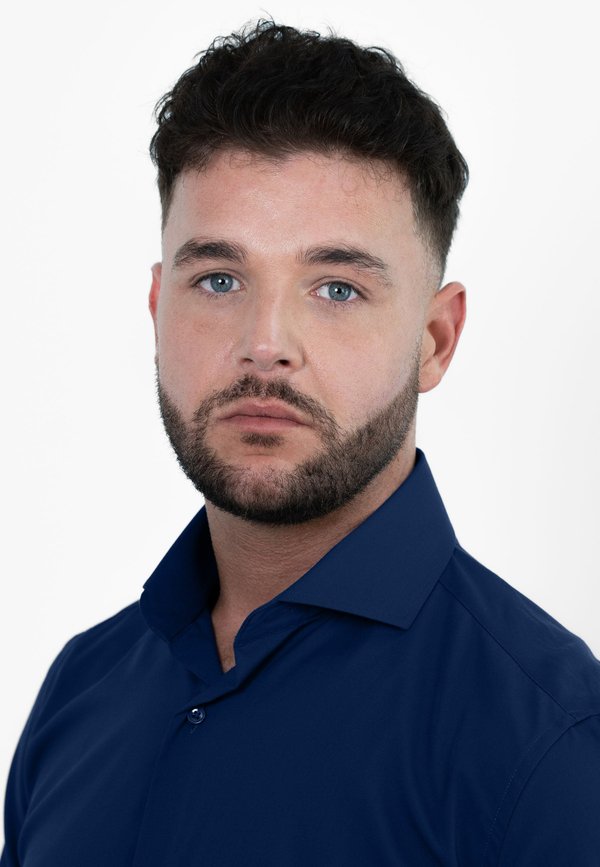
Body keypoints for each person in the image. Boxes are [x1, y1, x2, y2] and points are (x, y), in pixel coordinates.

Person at [2, 19, 599, 866]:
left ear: (434, 340)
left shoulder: (549, 748)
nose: (264, 343)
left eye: (337, 288)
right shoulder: (81, 688)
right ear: (158, 311)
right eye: (218, 279)